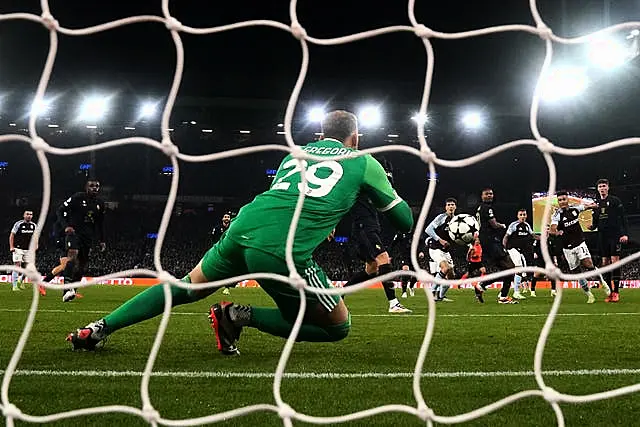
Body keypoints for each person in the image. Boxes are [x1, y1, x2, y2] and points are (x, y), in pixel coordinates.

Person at [67, 110, 414, 355]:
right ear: (356, 138)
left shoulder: (294, 154)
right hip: (282, 248)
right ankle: (236, 315)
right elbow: (403, 221)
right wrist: (376, 193)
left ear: (320, 136)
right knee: (337, 327)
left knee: (185, 287)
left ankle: (99, 327)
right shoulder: (363, 161)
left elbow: (294, 195)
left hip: (243, 226)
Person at [549, 191, 608, 303]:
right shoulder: (557, 215)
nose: (562, 202)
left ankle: (603, 283)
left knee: (588, 264)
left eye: (564, 199)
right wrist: (557, 232)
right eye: (560, 200)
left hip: (579, 242)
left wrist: (593, 206)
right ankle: (589, 294)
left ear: (568, 200)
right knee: (577, 272)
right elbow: (552, 229)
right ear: (558, 201)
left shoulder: (575, 209)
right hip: (567, 248)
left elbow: (585, 207)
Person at [56, 179, 106, 302]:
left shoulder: (100, 203)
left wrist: (102, 240)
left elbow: (100, 224)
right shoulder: (77, 197)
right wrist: (66, 226)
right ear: (86, 187)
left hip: (88, 237)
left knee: (82, 265)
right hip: (74, 233)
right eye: (92, 186)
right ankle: (66, 289)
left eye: (97, 186)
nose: (95, 188)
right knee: (72, 256)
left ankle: (73, 290)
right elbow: (60, 211)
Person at [476, 188, 518, 304]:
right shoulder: (487, 208)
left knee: (506, 270)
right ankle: (500, 295)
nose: (489, 196)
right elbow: (493, 224)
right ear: (482, 196)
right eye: (487, 194)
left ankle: (484, 286)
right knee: (510, 268)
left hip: (488, 242)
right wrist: (502, 225)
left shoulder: (479, 208)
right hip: (492, 242)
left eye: (491, 193)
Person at [592, 178, 628, 302]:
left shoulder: (615, 201)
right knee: (605, 263)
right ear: (597, 189)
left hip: (615, 235)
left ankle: (616, 292)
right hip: (602, 236)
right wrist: (591, 226)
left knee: (615, 261)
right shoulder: (596, 205)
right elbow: (595, 223)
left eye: (604, 186)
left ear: (608, 187)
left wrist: (624, 234)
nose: (602, 188)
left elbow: (623, 218)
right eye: (600, 186)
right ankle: (610, 292)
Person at [424, 198, 457, 302]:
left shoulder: (457, 220)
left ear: (455, 207)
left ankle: (441, 296)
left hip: (446, 251)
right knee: (445, 268)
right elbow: (428, 229)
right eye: (448, 205)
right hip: (435, 248)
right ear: (445, 207)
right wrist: (440, 240)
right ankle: (432, 291)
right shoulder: (441, 217)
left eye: (452, 205)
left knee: (451, 276)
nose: (451, 206)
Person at [503, 208, 537, 300]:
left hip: (520, 251)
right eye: (521, 215)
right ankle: (516, 292)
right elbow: (506, 237)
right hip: (512, 249)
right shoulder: (514, 225)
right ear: (518, 216)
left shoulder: (527, 226)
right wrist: (504, 248)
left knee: (519, 269)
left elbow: (533, 236)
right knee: (519, 267)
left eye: (524, 214)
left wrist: (543, 237)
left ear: (526, 216)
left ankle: (503, 292)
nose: (523, 216)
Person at [8, 210, 42, 294]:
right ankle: (15, 286)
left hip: (29, 250)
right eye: (27, 214)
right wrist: (11, 246)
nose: (29, 216)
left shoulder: (33, 225)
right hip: (18, 248)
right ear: (24, 215)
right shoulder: (18, 224)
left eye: (31, 214)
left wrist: (36, 245)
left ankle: (20, 279)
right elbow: (12, 235)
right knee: (17, 265)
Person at [211, 212, 234, 295]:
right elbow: (213, 239)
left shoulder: (233, 227)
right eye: (225, 217)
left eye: (228, 217)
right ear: (222, 219)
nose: (227, 218)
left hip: (230, 251)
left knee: (229, 269)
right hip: (219, 250)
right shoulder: (217, 228)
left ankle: (227, 288)